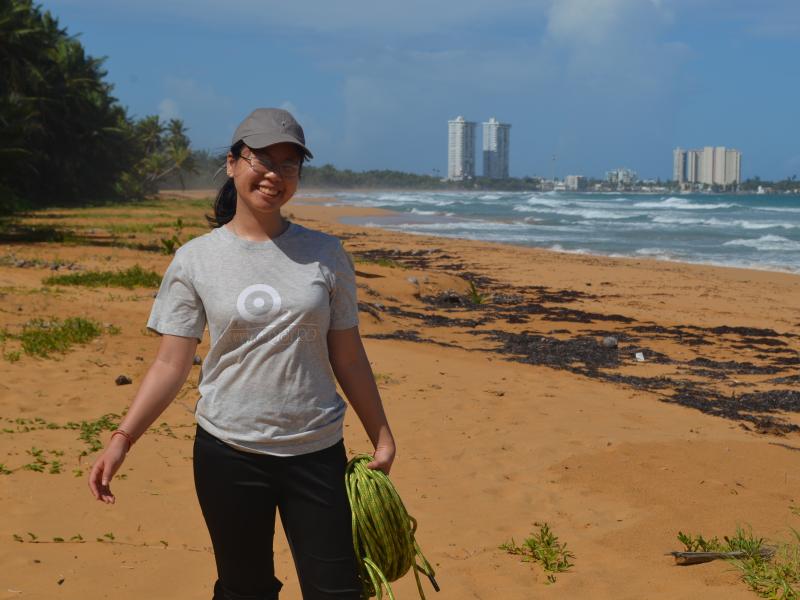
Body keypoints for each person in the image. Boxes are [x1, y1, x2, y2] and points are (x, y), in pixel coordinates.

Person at [88, 107, 396, 600]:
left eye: (289, 164)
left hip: (316, 450)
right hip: (228, 453)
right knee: (244, 590)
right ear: (232, 164)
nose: (275, 174)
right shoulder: (195, 258)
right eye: (262, 159)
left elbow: (349, 356)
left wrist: (381, 435)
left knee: (338, 590)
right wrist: (123, 439)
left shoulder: (326, 254)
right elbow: (170, 363)